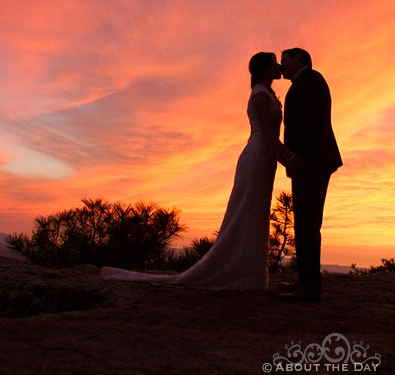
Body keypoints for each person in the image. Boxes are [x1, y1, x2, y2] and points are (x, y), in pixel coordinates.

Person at [102, 52, 295, 291]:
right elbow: (266, 132)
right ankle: (242, 275)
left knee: (256, 213)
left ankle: (250, 274)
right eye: (274, 62)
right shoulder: (258, 94)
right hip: (256, 157)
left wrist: (282, 158)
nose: (279, 66)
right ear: (266, 68)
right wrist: (289, 157)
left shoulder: (267, 93)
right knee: (248, 211)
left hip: (265, 159)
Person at [280, 48, 342, 302]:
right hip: (306, 162)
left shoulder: (312, 80)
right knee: (304, 223)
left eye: (285, 59)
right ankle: (305, 281)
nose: (281, 64)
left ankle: (310, 289)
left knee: (308, 223)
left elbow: (311, 124)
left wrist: (298, 159)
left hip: (312, 163)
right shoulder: (303, 83)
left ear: (299, 59)